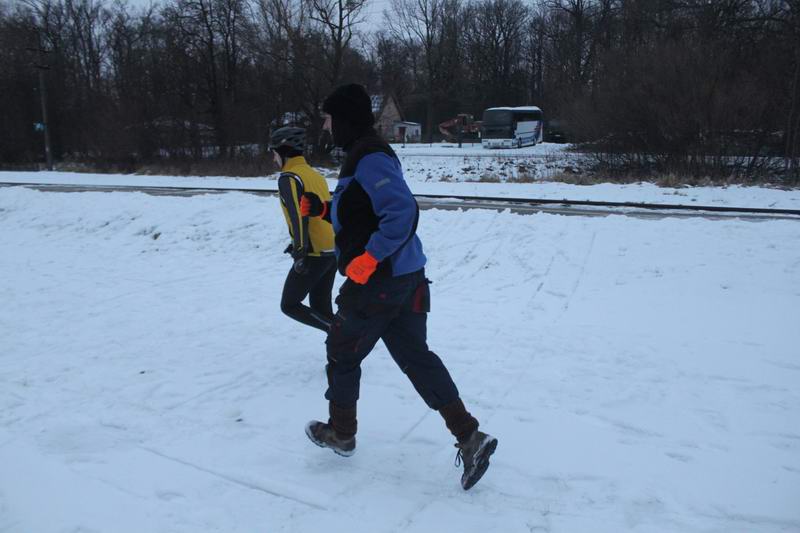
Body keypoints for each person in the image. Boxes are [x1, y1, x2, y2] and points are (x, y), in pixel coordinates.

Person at [299, 84, 498, 490]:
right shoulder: (364, 155)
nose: (325, 124)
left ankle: (341, 433)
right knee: (416, 357)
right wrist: (323, 209)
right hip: (405, 281)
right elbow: (366, 209)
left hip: (379, 283)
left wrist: (369, 259)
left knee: (341, 351)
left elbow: (401, 212)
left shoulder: (370, 156)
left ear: (344, 119)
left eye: (328, 117)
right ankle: (470, 436)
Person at [270, 126, 336, 333]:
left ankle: (341, 333)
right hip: (332, 249)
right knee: (321, 309)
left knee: (289, 304)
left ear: (283, 151)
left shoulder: (289, 177)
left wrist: (300, 250)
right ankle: (338, 362)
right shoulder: (315, 175)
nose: (273, 159)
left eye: (273, 153)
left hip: (313, 252)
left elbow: (299, 215)